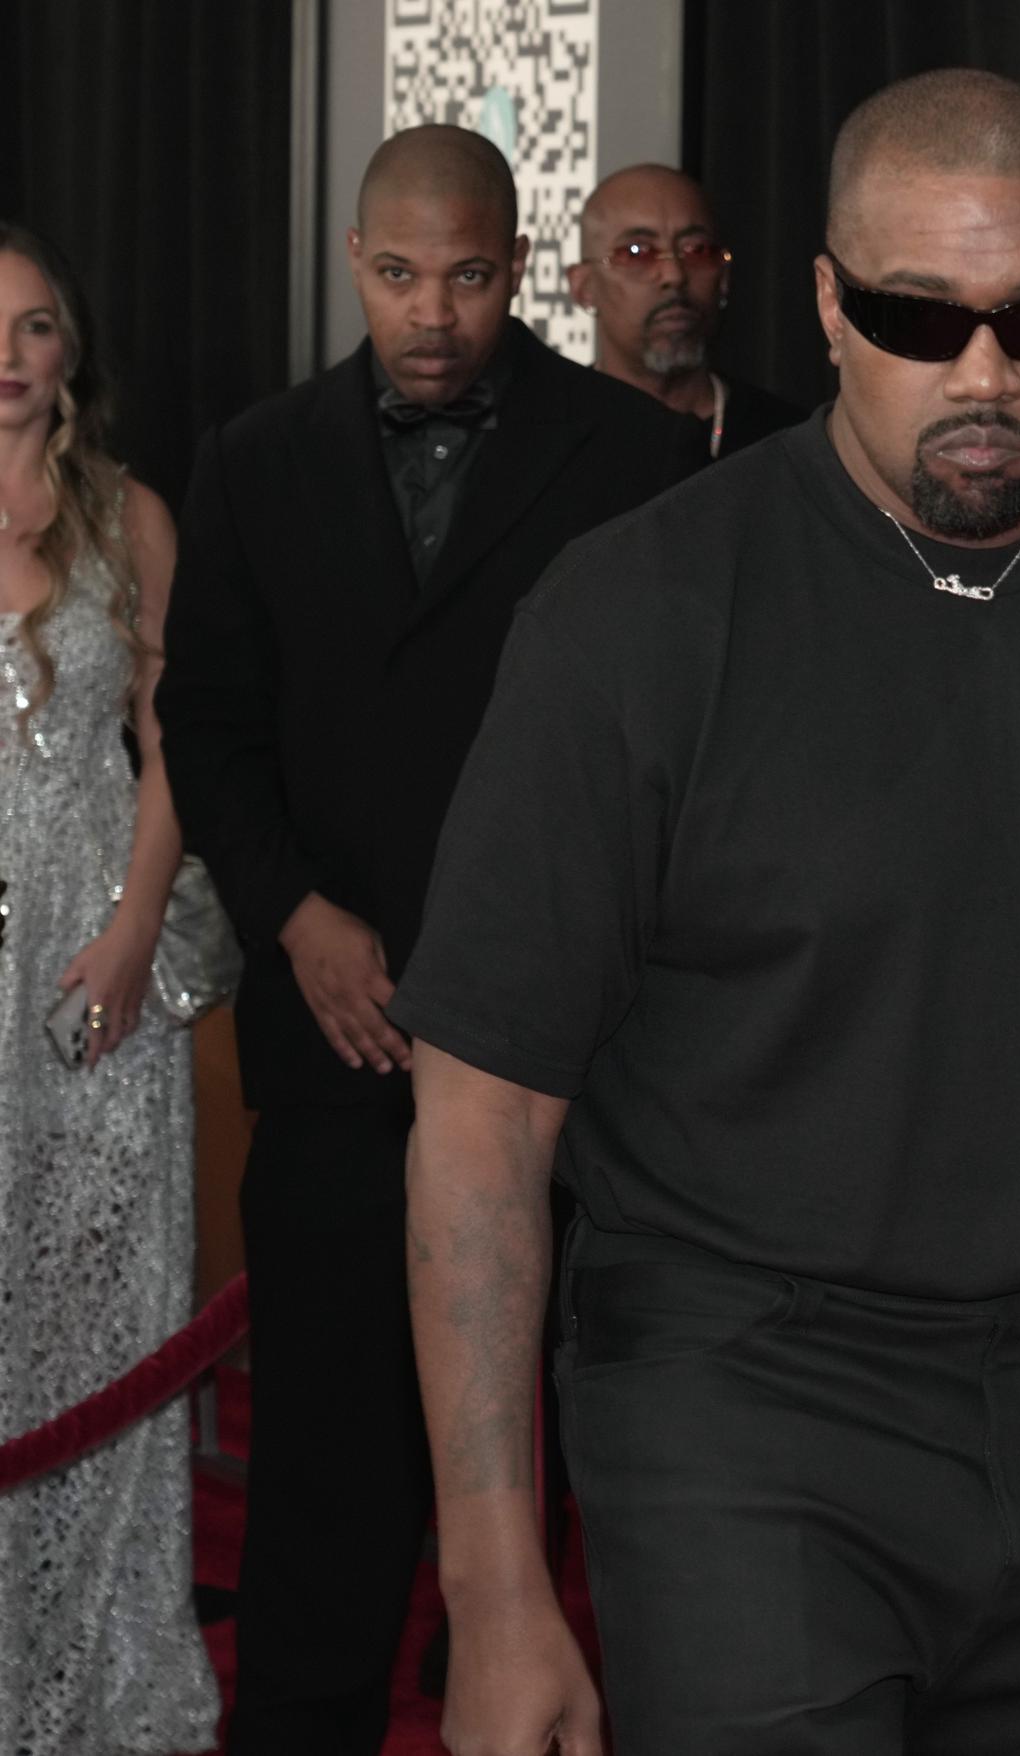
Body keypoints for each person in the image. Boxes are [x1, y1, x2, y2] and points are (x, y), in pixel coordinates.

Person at [391, 68, 1020, 1756]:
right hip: (736, 1405)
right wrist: (496, 1593)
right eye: (922, 319)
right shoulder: (638, 619)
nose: (986, 374)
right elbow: (482, 1120)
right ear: (827, 308)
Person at [155, 125, 697, 1755]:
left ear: (515, 266)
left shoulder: (632, 460)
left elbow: (678, 753)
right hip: (338, 1061)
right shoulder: (255, 460)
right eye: (401, 275)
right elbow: (209, 723)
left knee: (629, 1523)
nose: (435, 312)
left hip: (593, 1090)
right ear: (354, 264)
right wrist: (296, 916)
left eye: (467, 275)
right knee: (326, 1514)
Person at [0, 220, 220, 1756]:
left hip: (95, 968)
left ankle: (102, 1689)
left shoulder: (128, 517)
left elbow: (180, 742)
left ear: (69, 351)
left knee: (104, 1318)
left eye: (29, 327)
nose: (5, 357)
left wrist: (140, 925)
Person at [568, 163, 804, 459]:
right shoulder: (546, 441)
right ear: (583, 287)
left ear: (724, 278)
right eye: (637, 253)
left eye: (698, 250)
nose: (674, 275)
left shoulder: (786, 443)